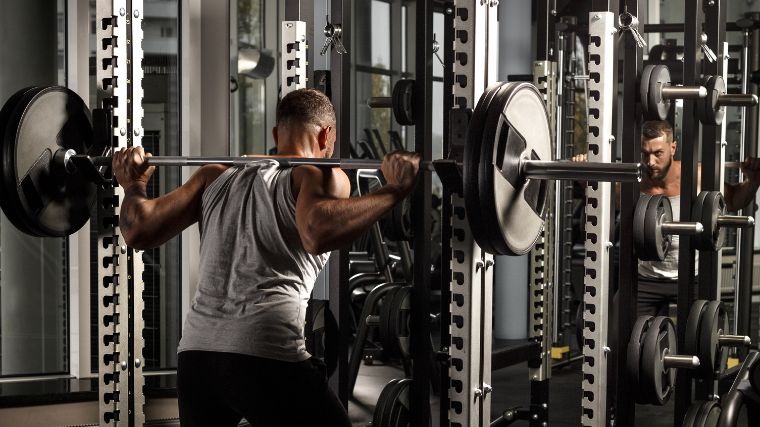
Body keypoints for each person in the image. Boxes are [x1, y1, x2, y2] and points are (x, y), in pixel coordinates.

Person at [112, 88, 421, 427]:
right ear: (326, 135)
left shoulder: (216, 175)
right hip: (265, 352)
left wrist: (134, 185)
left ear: (277, 134)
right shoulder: (320, 174)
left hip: (197, 355)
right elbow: (316, 232)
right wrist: (394, 190)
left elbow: (138, 230)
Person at [575, 120, 760, 317]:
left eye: (657, 153)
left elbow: (734, 201)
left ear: (673, 148)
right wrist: (584, 175)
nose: (650, 162)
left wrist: (753, 181)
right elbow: (600, 204)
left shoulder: (696, 176)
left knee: (699, 337)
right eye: (645, 154)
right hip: (645, 277)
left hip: (690, 276)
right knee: (618, 331)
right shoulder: (631, 184)